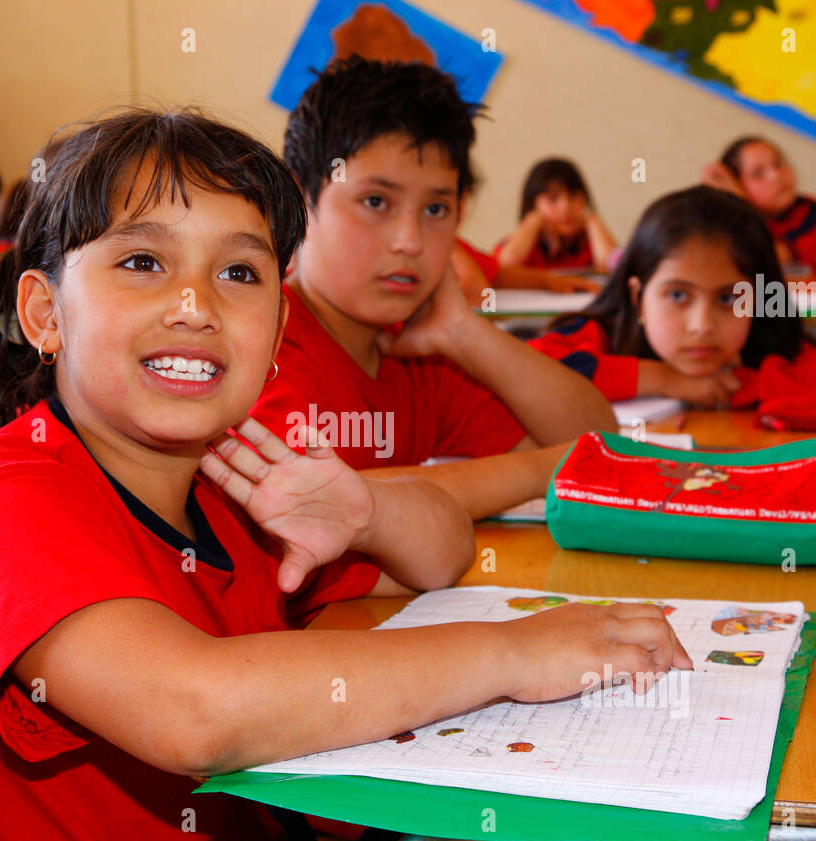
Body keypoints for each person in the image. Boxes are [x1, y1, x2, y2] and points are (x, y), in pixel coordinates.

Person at [0, 109, 689, 841]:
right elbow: (195, 712)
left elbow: (443, 553)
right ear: (44, 314)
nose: (194, 305)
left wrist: (365, 512)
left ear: (275, 332)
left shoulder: (224, 471)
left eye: (239, 271)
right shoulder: (10, 498)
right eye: (143, 262)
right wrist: (513, 653)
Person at [253, 56, 616, 520]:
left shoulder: (423, 357)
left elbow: (602, 446)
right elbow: (320, 501)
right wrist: (545, 468)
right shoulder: (262, 347)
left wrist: (465, 333)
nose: (409, 241)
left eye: (436, 210)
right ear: (301, 200)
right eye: (375, 201)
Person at [530, 186, 816, 407]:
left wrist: (741, 387)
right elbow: (529, 371)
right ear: (639, 297)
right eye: (677, 295)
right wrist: (662, 379)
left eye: (727, 299)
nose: (702, 326)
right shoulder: (601, 337)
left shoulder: (765, 352)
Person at [701, 136, 816, 274]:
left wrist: (741, 203)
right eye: (758, 174)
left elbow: (765, 258)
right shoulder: (729, 223)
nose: (776, 175)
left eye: (778, 164)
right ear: (736, 186)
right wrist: (732, 202)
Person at [495, 157, 617, 273]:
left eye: (573, 196)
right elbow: (502, 267)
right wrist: (533, 221)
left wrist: (592, 220)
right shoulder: (523, 245)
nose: (565, 206)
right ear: (533, 205)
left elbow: (616, 270)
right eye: (552, 199)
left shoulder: (591, 243)